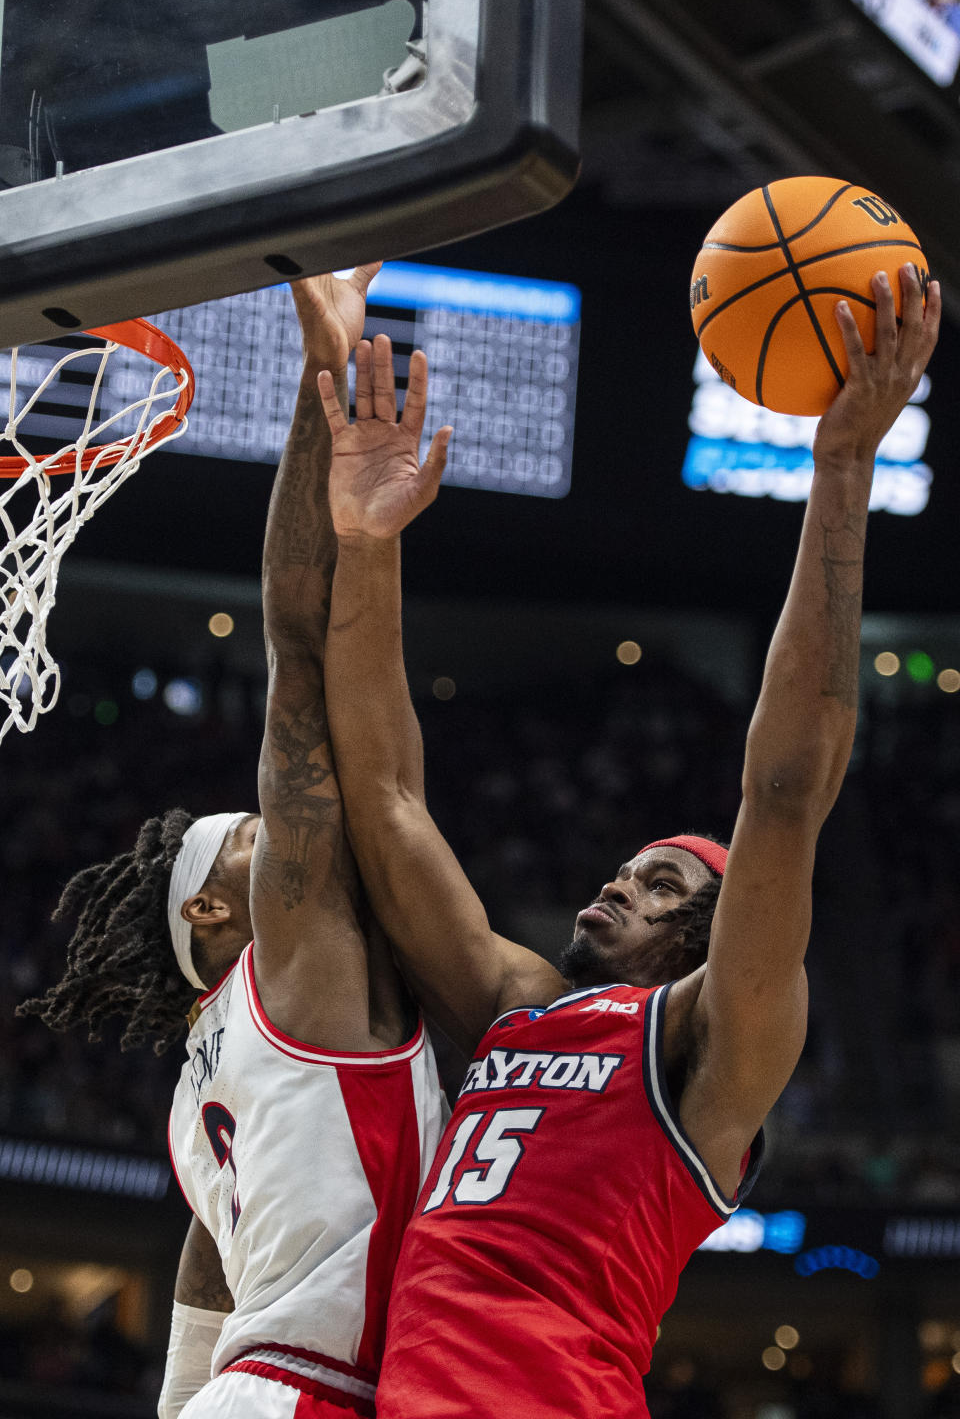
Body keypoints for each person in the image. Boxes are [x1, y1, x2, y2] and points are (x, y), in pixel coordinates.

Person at [315, 264, 940, 1418]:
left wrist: (842, 469)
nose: (618, 882)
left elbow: (788, 791)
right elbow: (389, 798)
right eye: (625, 868)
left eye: (659, 884)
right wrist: (366, 542)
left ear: (703, 931)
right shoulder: (522, 1002)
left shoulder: (707, 1040)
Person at [17, 266, 446, 1419]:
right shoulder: (292, 961)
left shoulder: (197, 1093)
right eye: (258, 832)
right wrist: (327, 381)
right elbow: (295, 657)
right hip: (315, 1392)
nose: (292, 829)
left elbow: (202, 1280)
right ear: (210, 908)